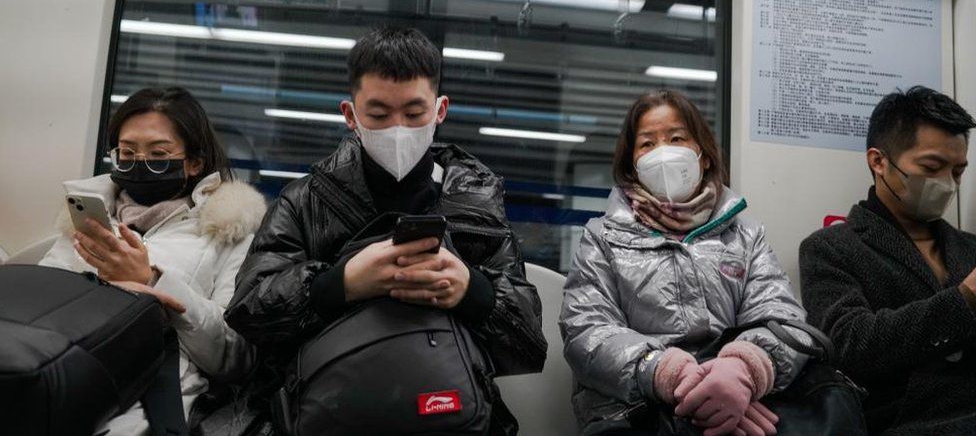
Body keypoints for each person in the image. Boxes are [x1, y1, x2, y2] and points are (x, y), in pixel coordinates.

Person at [224, 26, 547, 434]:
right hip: (329, 412)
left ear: (440, 110)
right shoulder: (305, 201)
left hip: (451, 414)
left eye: (414, 114)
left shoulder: (476, 205)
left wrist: (471, 290)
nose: (398, 129)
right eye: (378, 115)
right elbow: (250, 315)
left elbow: (529, 343)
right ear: (351, 115)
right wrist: (341, 284)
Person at [560, 90, 809, 436]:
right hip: (633, 413)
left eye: (677, 138)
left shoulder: (746, 235)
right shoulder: (602, 237)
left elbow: (783, 318)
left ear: (703, 156)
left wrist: (742, 370)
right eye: (647, 144)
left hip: (738, 404)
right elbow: (586, 330)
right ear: (632, 164)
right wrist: (664, 370)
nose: (663, 153)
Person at [40, 86, 265, 435]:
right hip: (61, 372)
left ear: (194, 163)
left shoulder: (229, 232)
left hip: (150, 393)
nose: (139, 164)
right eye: (127, 153)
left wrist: (153, 281)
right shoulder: (88, 219)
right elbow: (36, 307)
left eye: (158, 155)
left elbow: (236, 355)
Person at [799, 86, 976, 435]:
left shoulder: (969, 248)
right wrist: (964, 300)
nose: (948, 184)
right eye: (932, 166)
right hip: (907, 424)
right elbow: (849, 346)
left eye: (957, 171)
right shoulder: (831, 249)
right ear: (878, 161)